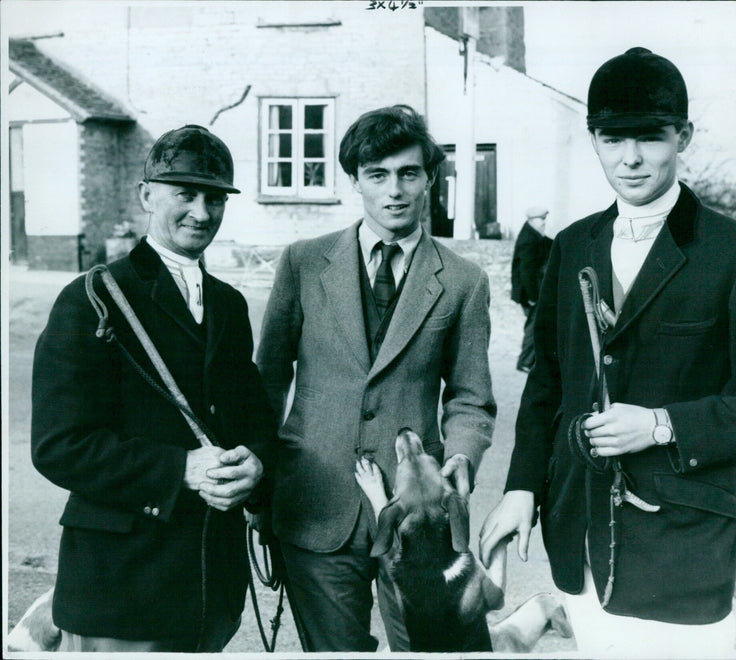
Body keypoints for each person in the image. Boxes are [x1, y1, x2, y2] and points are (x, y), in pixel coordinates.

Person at [479, 47, 736, 657]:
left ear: (683, 137)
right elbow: (547, 386)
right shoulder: (570, 247)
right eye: (612, 138)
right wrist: (521, 489)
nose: (630, 158)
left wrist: (660, 424)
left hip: (685, 549)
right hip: (580, 538)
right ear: (593, 139)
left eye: (649, 138)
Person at [256, 104, 496, 652]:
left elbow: (470, 398)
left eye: (409, 173)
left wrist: (460, 458)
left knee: (434, 651)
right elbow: (267, 382)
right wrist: (261, 492)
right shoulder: (302, 262)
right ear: (355, 181)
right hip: (315, 505)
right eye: (378, 175)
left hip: (420, 520)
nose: (395, 190)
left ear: (430, 179)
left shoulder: (462, 281)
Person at [31, 125, 277, 652]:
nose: (202, 212)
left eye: (215, 198)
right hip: (121, 588)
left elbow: (252, 420)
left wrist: (256, 466)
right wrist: (179, 469)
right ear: (147, 195)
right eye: (184, 194)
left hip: (210, 588)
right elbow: (58, 446)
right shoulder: (92, 297)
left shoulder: (230, 306)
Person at [510, 206, 553, 372]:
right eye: (541, 220)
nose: (544, 223)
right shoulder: (529, 239)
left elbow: (546, 244)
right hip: (529, 293)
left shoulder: (532, 235)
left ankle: (529, 360)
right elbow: (526, 270)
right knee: (533, 327)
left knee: (534, 325)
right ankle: (525, 362)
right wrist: (532, 296)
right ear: (532, 220)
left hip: (530, 292)